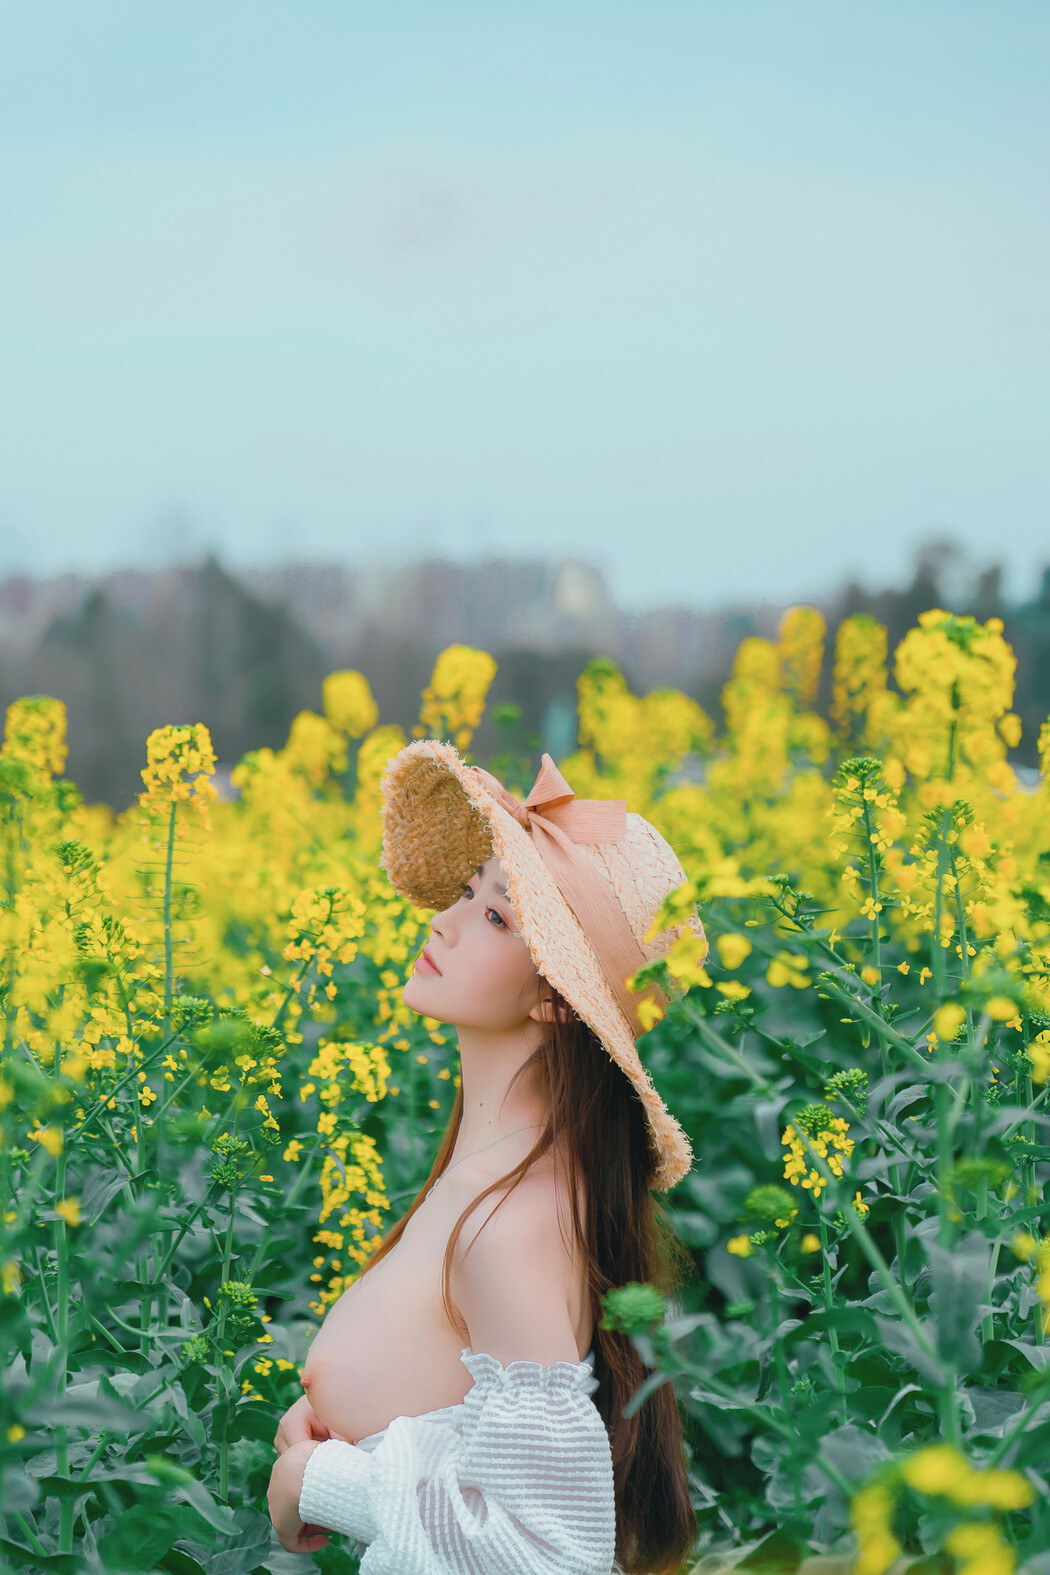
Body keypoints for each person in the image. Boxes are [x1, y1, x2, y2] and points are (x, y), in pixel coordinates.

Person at [267, 741, 705, 1574]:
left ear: (554, 997)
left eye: (499, 915)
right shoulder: (500, 1178)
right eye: (469, 892)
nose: (445, 919)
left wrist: (316, 1478)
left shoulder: (506, 1224)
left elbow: (549, 1550)